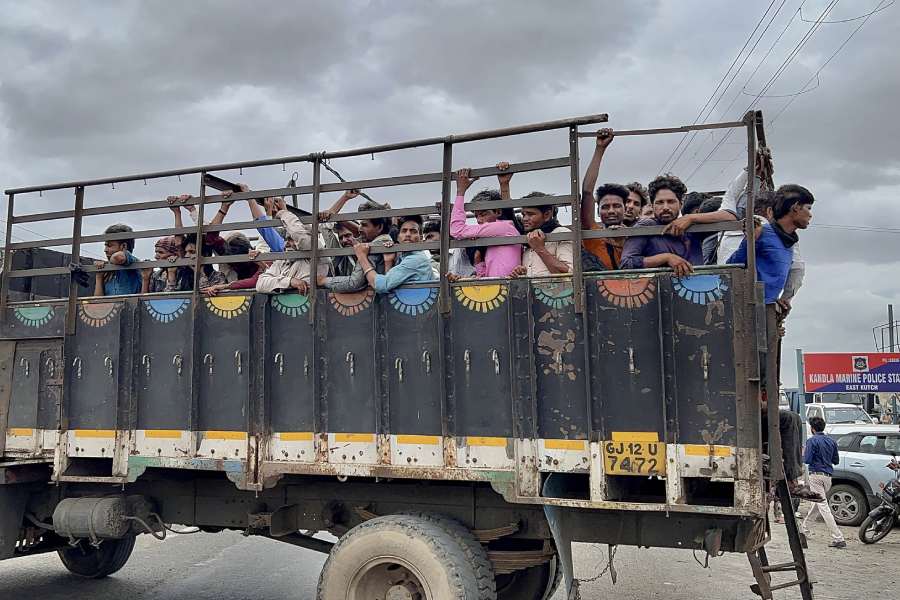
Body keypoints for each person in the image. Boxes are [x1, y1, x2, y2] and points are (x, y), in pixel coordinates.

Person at [726, 184, 814, 305]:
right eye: (808, 208)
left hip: (766, 311)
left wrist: (781, 302)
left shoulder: (789, 241)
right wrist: (751, 240)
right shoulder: (762, 232)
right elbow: (731, 267)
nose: (810, 214)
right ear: (796, 207)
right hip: (748, 309)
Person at [619, 174, 702, 274]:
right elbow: (626, 263)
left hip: (699, 286)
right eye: (660, 202)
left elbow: (726, 215)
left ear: (681, 204)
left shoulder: (692, 226)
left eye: (671, 202)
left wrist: (692, 217)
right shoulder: (646, 225)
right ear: (653, 206)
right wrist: (666, 258)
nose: (665, 207)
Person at [450, 168, 521, 277]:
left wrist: (460, 192)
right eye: (476, 215)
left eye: (483, 214)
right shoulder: (493, 237)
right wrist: (478, 262)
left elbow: (457, 230)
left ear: (498, 212)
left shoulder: (502, 227)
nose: (479, 220)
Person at [318, 200, 394, 292]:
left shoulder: (373, 246)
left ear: (380, 227)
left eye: (364, 225)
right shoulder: (382, 241)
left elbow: (355, 283)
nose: (360, 229)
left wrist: (323, 280)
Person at [580, 129, 628, 271]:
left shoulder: (636, 235)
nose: (611, 210)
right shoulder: (593, 233)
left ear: (625, 208)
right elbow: (587, 192)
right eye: (605, 207)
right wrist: (600, 148)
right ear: (598, 210)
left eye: (617, 206)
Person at [256, 197, 324, 294]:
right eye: (287, 239)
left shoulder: (318, 255)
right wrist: (290, 281)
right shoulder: (284, 260)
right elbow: (260, 284)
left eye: (291, 239)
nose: (287, 243)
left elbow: (299, 235)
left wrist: (282, 212)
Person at [353, 215, 434, 293]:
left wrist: (362, 257)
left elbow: (381, 285)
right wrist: (388, 260)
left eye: (413, 231)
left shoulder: (415, 260)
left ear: (420, 237)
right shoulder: (404, 256)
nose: (408, 234)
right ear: (398, 237)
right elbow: (390, 288)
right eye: (404, 231)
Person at [801, 416, 846, 548]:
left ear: (812, 428)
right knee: (817, 505)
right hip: (828, 477)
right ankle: (803, 530)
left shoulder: (812, 441)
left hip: (816, 476)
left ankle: (838, 538)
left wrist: (804, 453)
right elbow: (836, 460)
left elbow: (807, 460)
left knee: (823, 507)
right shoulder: (831, 441)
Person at [509, 193, 573, 278]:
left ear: (547, 215)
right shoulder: (527, 238)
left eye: (530, 214)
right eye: (523, 215)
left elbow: (569, 274)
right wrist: (521, 272)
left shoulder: (561, 233)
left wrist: (539, 249)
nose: (524, 219)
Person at [93, 224, 142, 296]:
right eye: (105, 246)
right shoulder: (108, 274)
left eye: (109, 246)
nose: (105, 250)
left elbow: (119, 257)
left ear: (124, 246)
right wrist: (99, 276)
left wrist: (109, 263)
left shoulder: (133, 261)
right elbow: (97, 301)